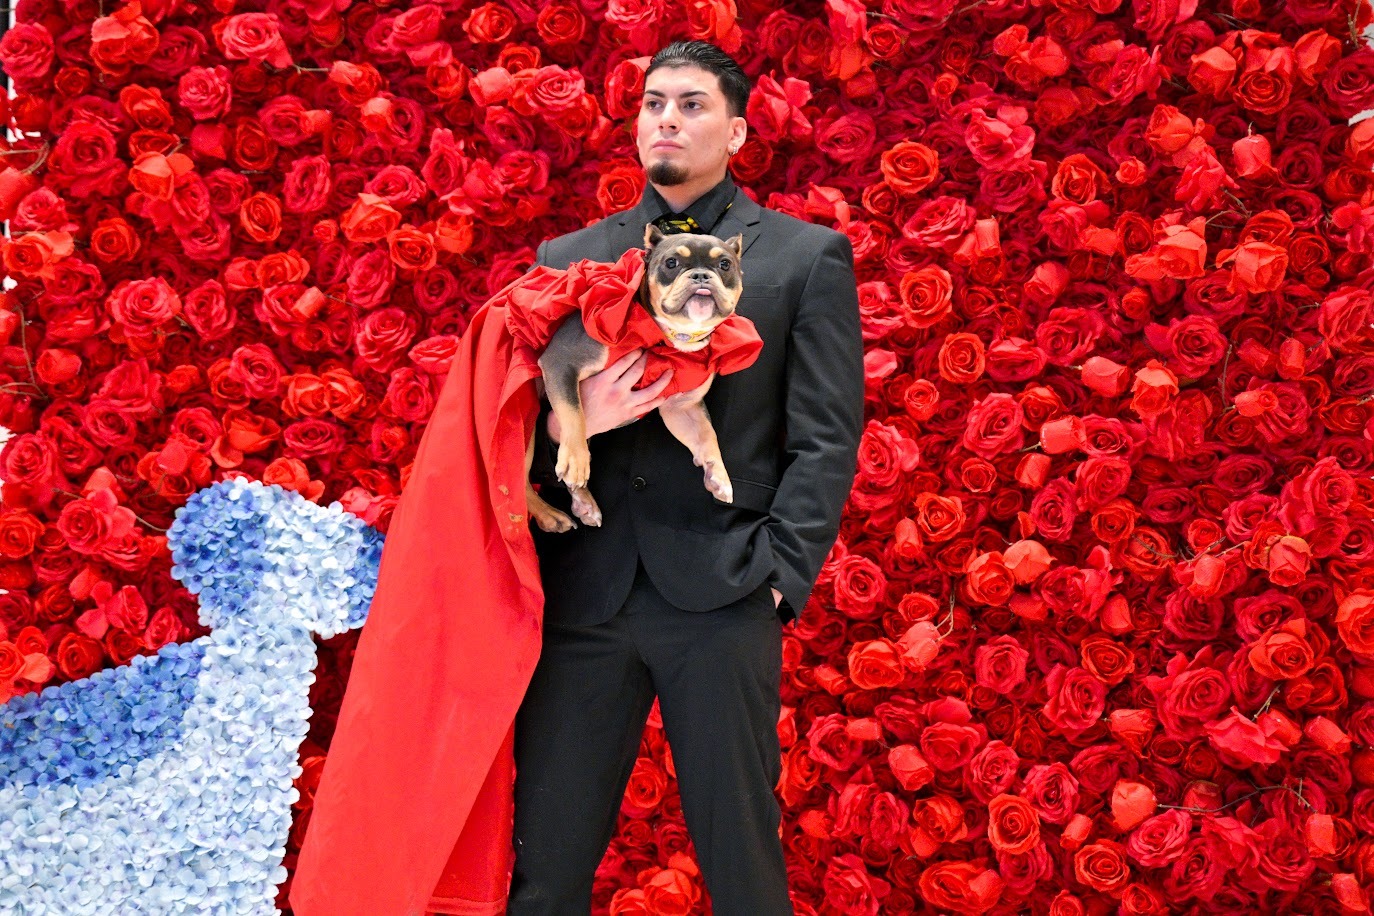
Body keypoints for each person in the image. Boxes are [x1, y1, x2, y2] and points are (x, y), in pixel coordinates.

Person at [509, 40, 864, 915]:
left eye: (693, 104)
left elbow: (825, 435)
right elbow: (518, 418)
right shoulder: (570, 255)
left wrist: (780, 575)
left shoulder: (799, 257)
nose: (667, 117)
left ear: (737, 130)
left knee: (744, 868)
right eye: (654, 103)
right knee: (544, 872)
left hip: (724, 592)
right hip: (582, 598)